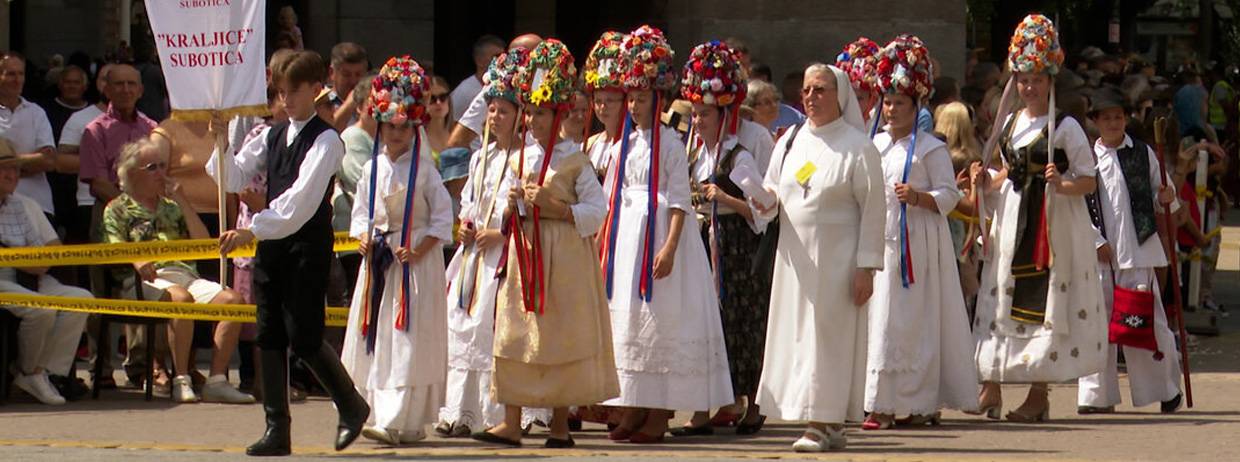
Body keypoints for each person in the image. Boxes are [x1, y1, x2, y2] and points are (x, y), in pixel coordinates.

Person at [207, 50, 370, 456]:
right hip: (273, 247)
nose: (285, 100)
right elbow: (234, 173)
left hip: (306, 248)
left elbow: (301, 201)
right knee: (269, 335)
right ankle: (276, 428)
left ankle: (351, 403)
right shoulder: (271, 134)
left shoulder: (327, 139)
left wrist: (252, 228)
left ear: (317, 90)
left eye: (293, 92)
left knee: (306, 336)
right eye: (281, 92)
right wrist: (221, 136)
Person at [471, 38, 619, 449]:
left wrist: (557, 209)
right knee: (515, 331)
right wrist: (514, 204)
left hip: (564, 255)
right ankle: (511, 420)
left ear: (558, 116)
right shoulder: (522, 156)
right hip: (526, 252)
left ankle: (559, 423)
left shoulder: (575, 158)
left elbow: (599, 209)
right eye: (532, 112)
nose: (533, 121)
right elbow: (508, 200)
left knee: (559, 334)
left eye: (540, 113)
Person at [596, 27, 732, 445]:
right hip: (626, 239)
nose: (634, 106)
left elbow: (678, 201)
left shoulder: (670, 144)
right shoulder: (624, 145)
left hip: (658, 235)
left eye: (641, 98)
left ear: (657, 99)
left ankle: (659, 410)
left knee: (661, 320)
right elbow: (610, 196)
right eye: (631, 98)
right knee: (630, 320)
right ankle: (634, 402)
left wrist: (670, 246)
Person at [972, 14, 1106, 423]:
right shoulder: (1011, 122)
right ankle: (990, 383)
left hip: (1050, 221)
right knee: (1000, 291)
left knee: (1045, 297)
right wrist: (984, 180)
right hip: (1014, 217)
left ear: (1050, 80)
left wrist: (1061, 184)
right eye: (1024, 79)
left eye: (1037, 79)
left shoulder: (1065, 128)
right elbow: (1006, 174)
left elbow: (1088, 179)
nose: (1030, 87)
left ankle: (1038, 391)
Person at [750, 62, 884, 452]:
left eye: (821, 89)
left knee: (829, 340)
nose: (811, 97)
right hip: (796, 261)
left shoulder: (859, 147)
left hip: (839, 263)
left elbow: (874, 209)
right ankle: (824, 419)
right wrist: (762, 198)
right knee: (799, 338)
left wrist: (867, 267)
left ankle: (822, 421)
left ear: (839, 95)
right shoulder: (790, 140)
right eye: (807, 90)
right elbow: (774, 189)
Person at [862, 36, 977, 430]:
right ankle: (876, 402)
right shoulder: (873, 144)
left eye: (900, 103)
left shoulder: (930, 148)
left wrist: (919, 196)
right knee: (879, 318)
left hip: (919, 244)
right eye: (888, 102)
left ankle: (914, 401)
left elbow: (950, 194)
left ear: (917, 106)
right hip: (880, 244)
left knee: (912, 320)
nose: (891, 110)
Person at [338, 57, 451, 446]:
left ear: (413, 126)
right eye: (389, 126)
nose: (396, 134)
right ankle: (382, 412)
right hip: (381, 263)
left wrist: (419, 249)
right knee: (378, 336)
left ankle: (403, 416)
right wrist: (363, 238)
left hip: (413, 263)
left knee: (408, 338)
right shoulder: (372, 169)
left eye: (403, 127)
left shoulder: (424, 170)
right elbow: (360, 215)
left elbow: (442, 218)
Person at [102, 138, 254, 404]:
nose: (162, 173)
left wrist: (182, 199)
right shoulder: (116, 208)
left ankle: (217, 380)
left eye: (163, 166)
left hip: (183, 273)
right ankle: (181, 379)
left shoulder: (171, 206)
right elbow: (115, 248)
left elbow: (202, 243)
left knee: (233, 301)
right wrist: (136, 260)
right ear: (132, 173)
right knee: (180, 299)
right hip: (142, 280)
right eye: (153, 167)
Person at [437, 47, 542, 437]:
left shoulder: (529, 157)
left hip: (507, 255)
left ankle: (500, 410)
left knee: (493, 327)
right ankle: (461, 410)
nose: (495, 117)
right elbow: (469, 201)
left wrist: (503, 232)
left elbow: (533, 209)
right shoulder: (481, 155)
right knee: (463, 324)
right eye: (492, 109)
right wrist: (465, 226)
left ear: (520, 117)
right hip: (475, 256)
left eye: (504, 110)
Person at [672, 40, 769, 437]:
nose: (697, 120)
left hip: (735, 247)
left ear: (723, 114)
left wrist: (726, 197)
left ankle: (750, 405)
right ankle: (701, 409)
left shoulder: (739, 154)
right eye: (695, 113)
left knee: (740, 326)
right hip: (703, 241)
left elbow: (763, 209)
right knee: (702, 324)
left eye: (705, 114)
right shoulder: (696, 151)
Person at [1077, 89, 1184, 415]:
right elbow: (1078, 206)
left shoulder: (1142, 153)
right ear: (1095, 122)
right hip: (1100, 255)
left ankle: (1164, 389)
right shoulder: (1085, 158)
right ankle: (1097, 395)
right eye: (1106, 117)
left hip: (1138, 250)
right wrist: (1095, 240)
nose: (1113, 122)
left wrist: (1166, 196)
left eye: (1118, 116)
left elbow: (1161, 193)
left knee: (1146, 323)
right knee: (1096, 324)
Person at [0, 137, 90, 405]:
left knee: (81, 299)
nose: (11, 175)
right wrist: (24, 261)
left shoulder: (26, 204)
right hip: (4, 280)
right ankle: (30, 372)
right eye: (4, 169)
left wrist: (30, 262)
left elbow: (53, 249)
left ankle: (43, 372)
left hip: (35, 275)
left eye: (15, 169)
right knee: (41, 310)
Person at [446, 34, 544, 150]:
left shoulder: (554, 90)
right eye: (537, 57)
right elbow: (458, 141)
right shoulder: (497, 89)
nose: (544, 62)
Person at [0, 52, 57, 218]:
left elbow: (49, 160)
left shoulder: (37, 113)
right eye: (11, 74)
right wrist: (31, 162)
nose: (17, 80)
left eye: (21, 74)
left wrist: (6, 163)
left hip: (39, 205)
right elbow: (41, 159)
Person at [582, 31, 628, 181]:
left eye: (610, 101)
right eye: (598, 101)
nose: (602, 107)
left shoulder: (633, 142)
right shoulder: (590, 144)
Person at [451, 35, 505, 122]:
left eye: (503, 56)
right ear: (480, 61)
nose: (502, 61)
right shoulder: (464, 91)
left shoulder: (503, 88)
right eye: (497, 56)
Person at [835, 37, 881, 129]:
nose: (853, 103)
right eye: (849, 96)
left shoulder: (880, 135)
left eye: (859, 99)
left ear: (873, 99)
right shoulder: (831, 127)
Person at [327, 42, 370, 132]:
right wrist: (349, 105)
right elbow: (327, 133)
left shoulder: (373, 101)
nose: (353, 81)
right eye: (346, 75)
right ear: (332, 73)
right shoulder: (321, 102)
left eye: (358, 74)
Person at [425, 75, 453, 164]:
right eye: (432, 99)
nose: (438, 103)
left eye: (443, 97)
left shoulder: (458, 132)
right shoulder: (418, 137)